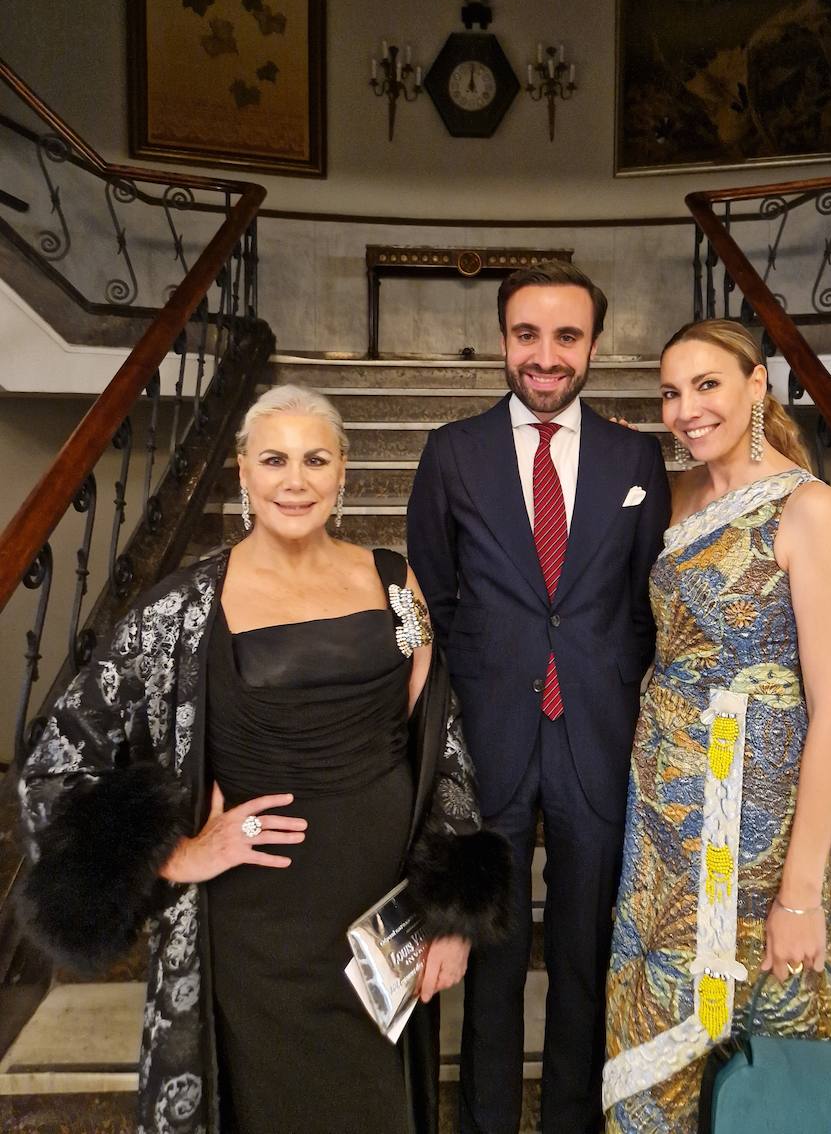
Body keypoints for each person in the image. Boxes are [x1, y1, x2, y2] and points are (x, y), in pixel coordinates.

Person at [18, 384, 511, 1134]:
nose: (295, 480)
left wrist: (451, 913)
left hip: (382, 911)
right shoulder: (181, 610)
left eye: (315, 459)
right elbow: (57, 764)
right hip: (257, 926)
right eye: (274, 459)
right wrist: (175, 856)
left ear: (342, 471)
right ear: (242, 471)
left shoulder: (393, 580)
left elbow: (438, 735)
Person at [406, 260, 671, 1134]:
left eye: (566, 336)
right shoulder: (452, 451)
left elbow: (647, 600)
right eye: (528, 335)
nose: (545, 356)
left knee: (584, 956)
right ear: (502, 340)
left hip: (598, 732)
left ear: (594, 344)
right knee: (491, 955)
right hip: (490, 734)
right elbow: (437, 596)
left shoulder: (638, 454)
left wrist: (605, 680)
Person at [604, 319, 831, 1132]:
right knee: (652, 1021)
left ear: (757, 385)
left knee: (752, 1045)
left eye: (706, 384)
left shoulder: (810, 509)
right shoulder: (676, 494)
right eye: (670, 393)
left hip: (749, 822)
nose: (683, 409)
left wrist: (799, 893)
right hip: (661, 818)